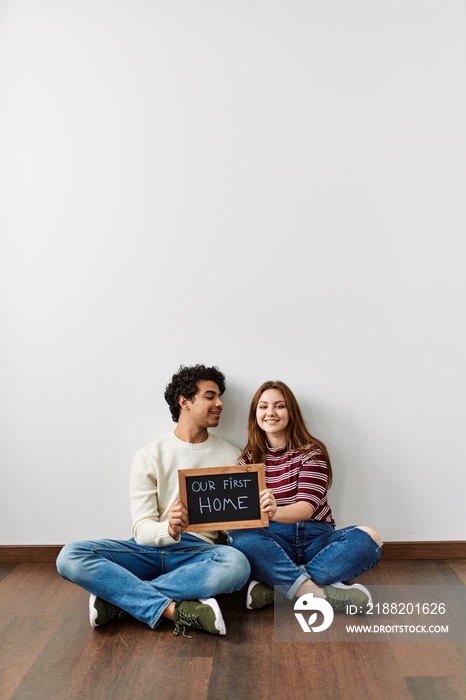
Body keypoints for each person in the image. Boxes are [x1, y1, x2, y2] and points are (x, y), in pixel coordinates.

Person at [57, 364, 250, 637]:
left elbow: (231, 527)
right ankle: (172, 609)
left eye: (220, 396)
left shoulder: (231, 456)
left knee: (237, 564)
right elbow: (142, 528)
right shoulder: (149, 455)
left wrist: (238, 523)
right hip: (145, 550)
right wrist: (168, 528)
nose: (219, 403)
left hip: (197, 554)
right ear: (184, 401)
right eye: (210, 396)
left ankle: (120, 600)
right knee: (70, 555)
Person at [227, 380, 382, 612]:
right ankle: (317, 593)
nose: (270, 413)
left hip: (316, 540)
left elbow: (306, 508)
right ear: (255, 413)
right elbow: (244, 516)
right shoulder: (247, 460)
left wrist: (275, 511)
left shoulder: (311, 453)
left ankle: (278, 587)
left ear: (291, 412)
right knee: (239, 536)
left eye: (279, 406)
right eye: (263, 407)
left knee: (370, 538)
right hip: (273, 541)